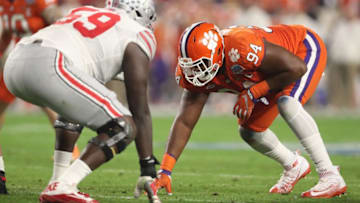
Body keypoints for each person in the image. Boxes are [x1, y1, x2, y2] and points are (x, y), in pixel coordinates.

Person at [151, 22, 347, 198]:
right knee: (250, 130)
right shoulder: (195, 73)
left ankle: (329, 174)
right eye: (190, 67)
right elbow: (185, 121)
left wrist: (254, 92)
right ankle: (294, 165)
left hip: (302, 51)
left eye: (201, 66)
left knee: (287, 103)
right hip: (270, 74)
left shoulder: (241, 47)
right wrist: (165, 171)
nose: (195, 74)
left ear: (218, 53)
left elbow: (296, 68)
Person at [3, 0, 161, 202]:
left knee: (74, 108)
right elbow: (139, 109)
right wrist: (147, 167)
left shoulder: (86, 11)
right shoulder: (138, 33)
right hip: (49, 63)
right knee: (123, 125)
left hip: (16, 62)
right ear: (143, 13)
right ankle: (64, 186)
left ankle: (57, 179)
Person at [0, 0, 83, 195]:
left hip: (38, 60)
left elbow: (56, 18)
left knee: (47, 103)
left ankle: (70, 148)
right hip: (13, 63)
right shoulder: (5, 3)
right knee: (45, 104)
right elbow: (7, 33)